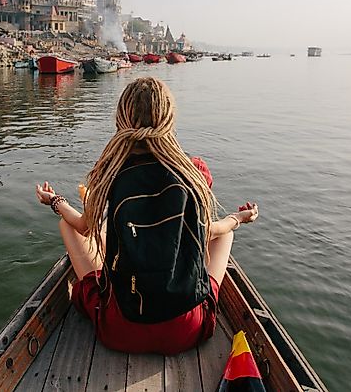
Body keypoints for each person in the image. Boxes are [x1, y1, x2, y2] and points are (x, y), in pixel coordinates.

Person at [35, 76, 258, 355]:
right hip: (186, 331)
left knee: (69, 226)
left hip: (120, 331)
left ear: (121, 120)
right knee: (226, 233)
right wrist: (239, 218)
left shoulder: (110, 170)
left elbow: (83, 226)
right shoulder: (194, 172)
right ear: (168, 120)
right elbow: (206, 232)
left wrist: (55, 201)